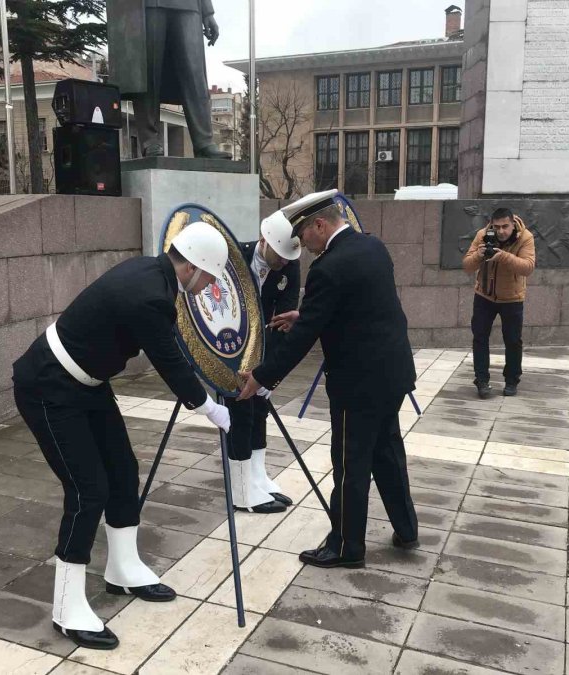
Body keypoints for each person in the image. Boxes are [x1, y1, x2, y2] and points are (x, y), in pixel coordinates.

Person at [11, 222, 231, 650]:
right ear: (196, 268)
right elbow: (169, 358)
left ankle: (123, 568)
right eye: (210, 279)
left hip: (88, 383)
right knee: (87, 490)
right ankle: (66, 607)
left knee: (123, 469)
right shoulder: (151, 294)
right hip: (48, 386)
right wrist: (207, 406)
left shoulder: (152, 274)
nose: (209, 289)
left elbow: (169, 348)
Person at [238, 189, 419, 569]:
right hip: (393, 373)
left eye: (303, 233)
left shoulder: (328, 267)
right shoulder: (372, 247)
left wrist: (262, 376)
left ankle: (346, 546)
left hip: (359, 384)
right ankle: (406, 528)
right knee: (387, 453)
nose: (301, 243)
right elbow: (359, 306)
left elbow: (302, 341)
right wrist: (304, 314)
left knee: (350, 463)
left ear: (320, 225)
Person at [225, 211, 302, 513]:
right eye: (280, 256)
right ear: (263, 240)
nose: (284, 262)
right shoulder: (235, 259)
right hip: (232, 353)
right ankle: (241, 491)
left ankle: (256, 477)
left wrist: (270, 376)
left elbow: (283, 324)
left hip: (263, 353)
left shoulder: (290, 266)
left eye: (288, 258)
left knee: (259, 412)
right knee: (240, 416)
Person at [108, 0, 230, 159]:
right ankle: (149, 141)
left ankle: (204, 142)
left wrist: (207, 11)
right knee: (148, 70)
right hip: (148, 4)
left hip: (189, 5)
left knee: (194, 72)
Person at [462, 207, 536, 399]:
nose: (501, 231)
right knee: (479, 337)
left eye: (505, 226)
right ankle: (482, 380)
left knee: (513, 341)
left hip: (512, 297)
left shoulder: (525, 238)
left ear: (513, 224)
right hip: (484, 296)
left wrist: (502, 255)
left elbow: (528, 268)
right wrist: (479, 255)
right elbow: (467, 266)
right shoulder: (483, 235)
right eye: (497, 227)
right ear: (491, 225)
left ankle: (511, 380)